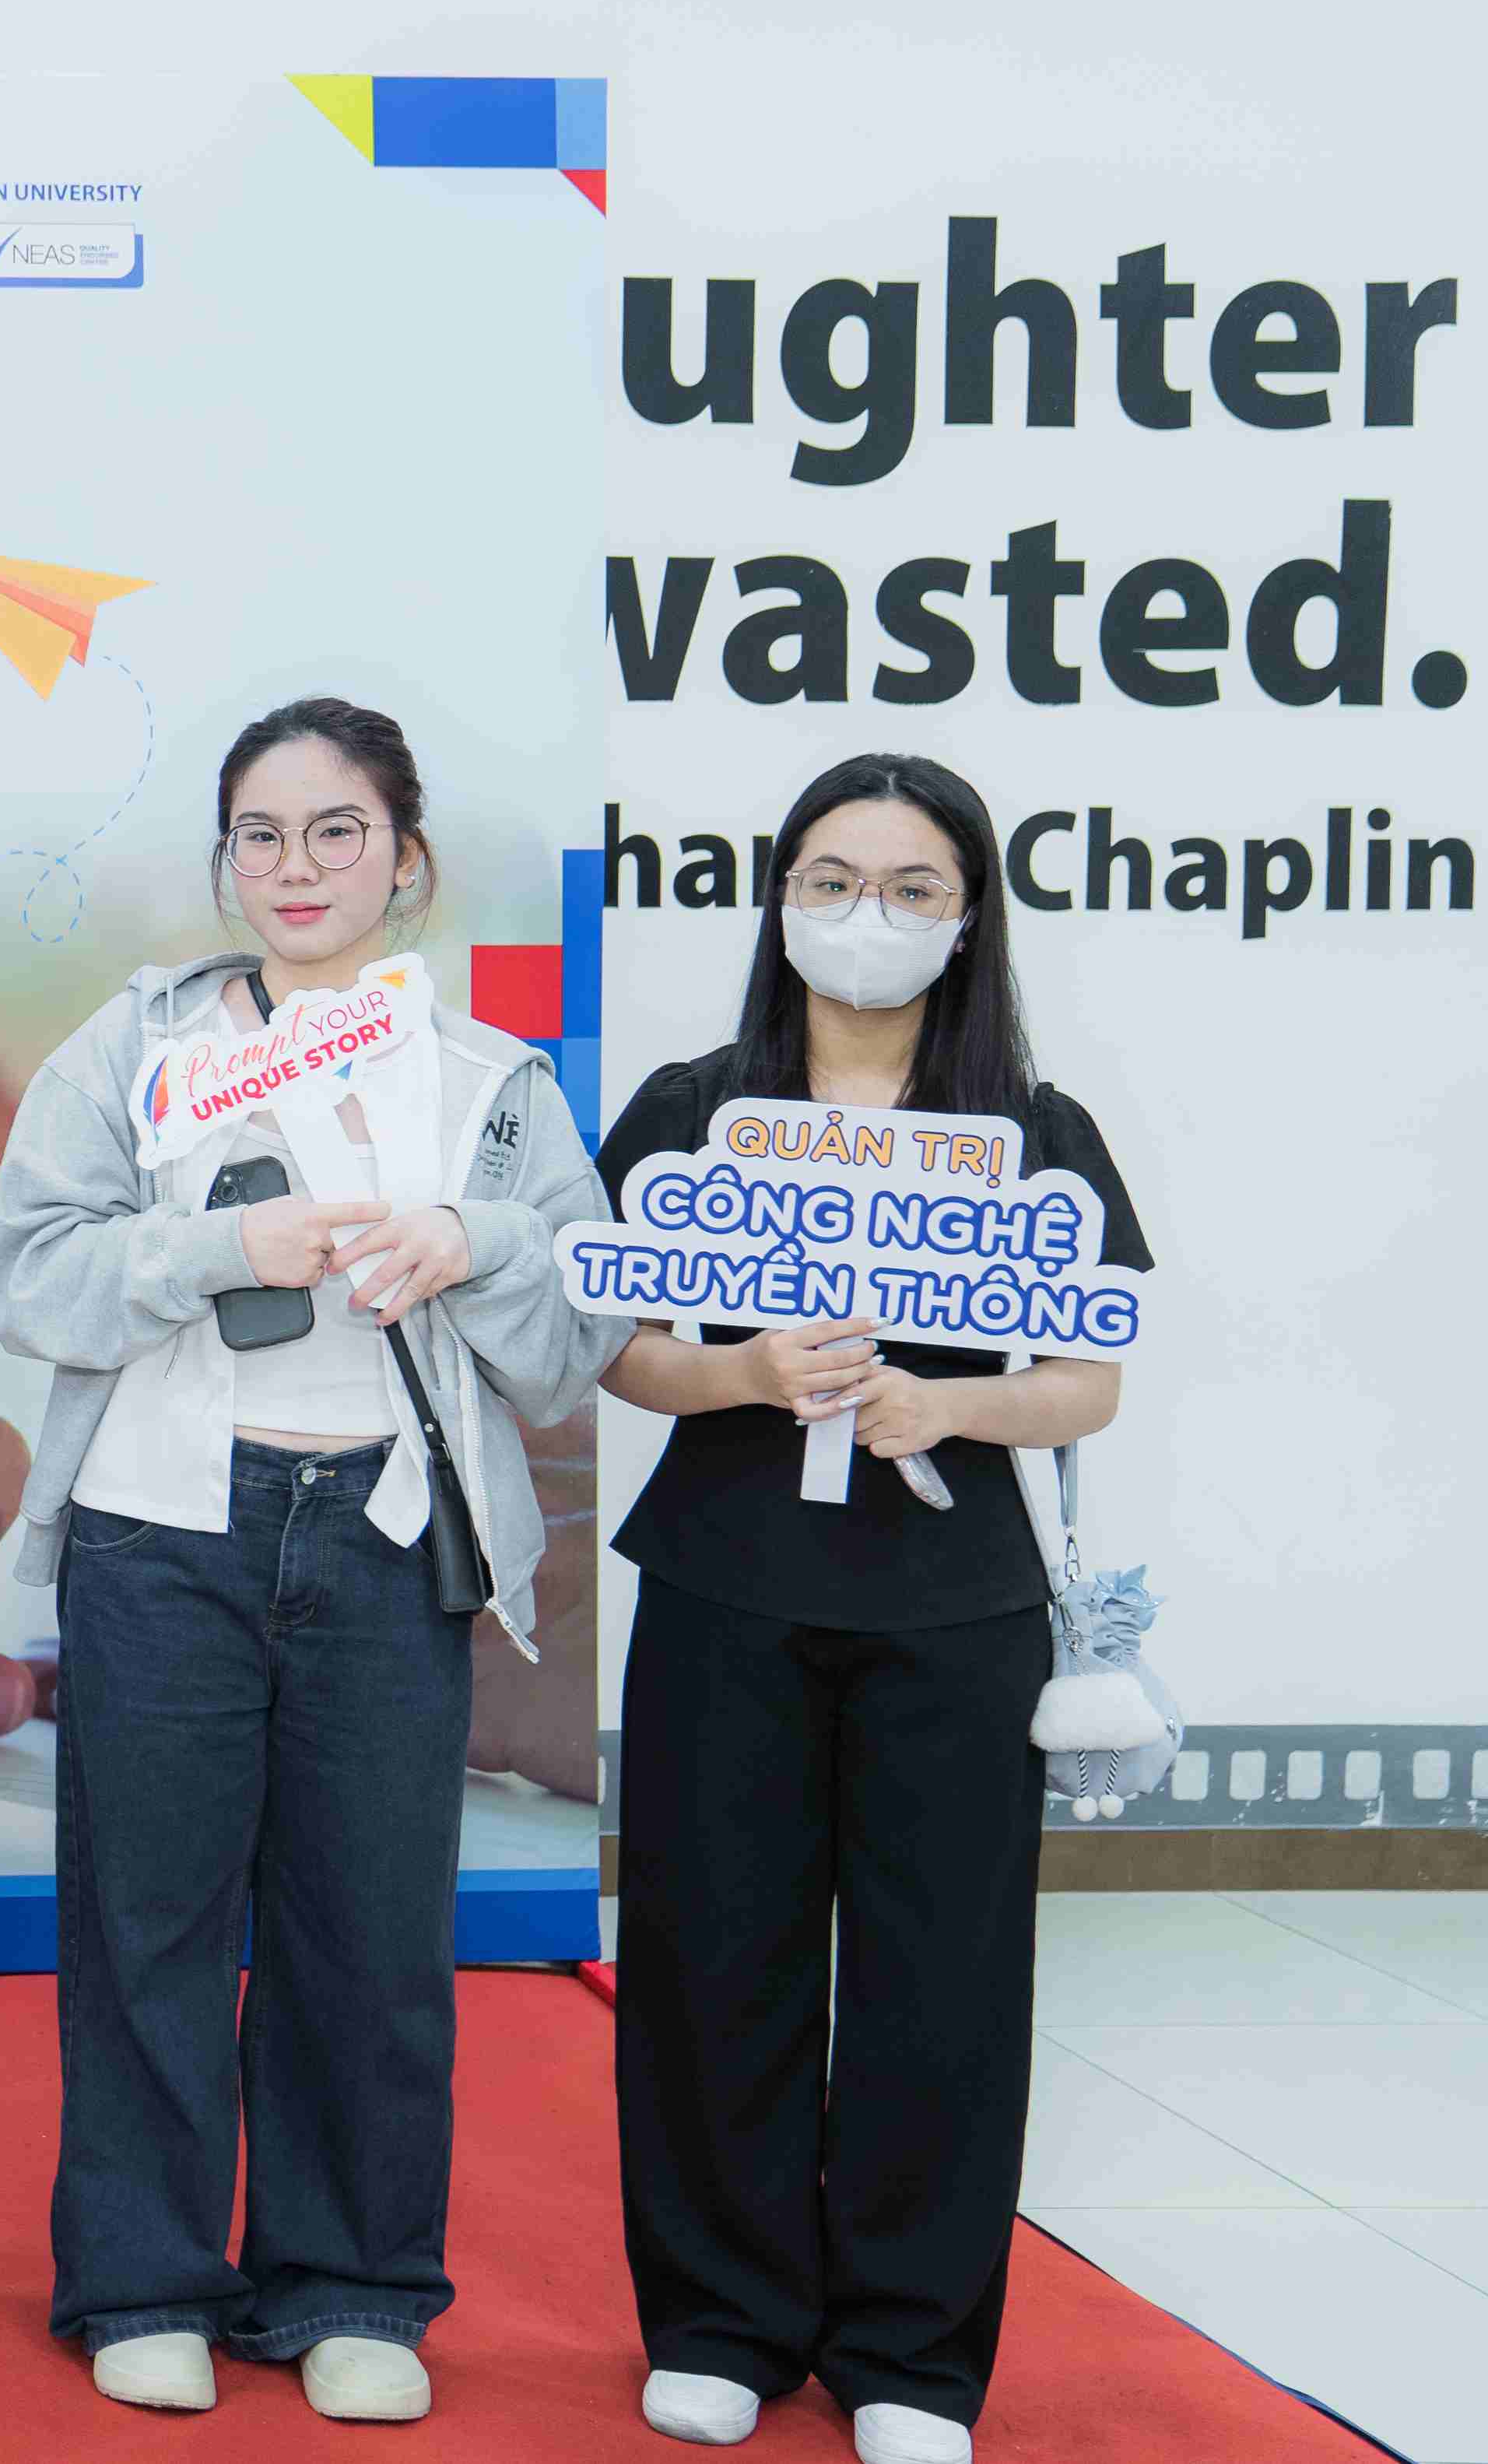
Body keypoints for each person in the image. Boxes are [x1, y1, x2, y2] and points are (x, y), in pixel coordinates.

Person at [0, 696, 623, 2425]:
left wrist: (478, 1239)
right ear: (225, 863)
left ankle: (352, 2284)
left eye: (338, 830)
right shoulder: (140, 1048)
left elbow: (573, 1345)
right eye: (260, 835)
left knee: (373, 1930)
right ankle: (145, 2277)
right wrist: (218, 1247)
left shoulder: (491, 1083)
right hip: (164, 1527)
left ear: (406, 859)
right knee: (149, 1920)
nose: (297, 866)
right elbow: (31, 1277)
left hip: (389, 1534)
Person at [600, 756, 1143, 2464]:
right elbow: (615, 1345)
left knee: (944, 1980)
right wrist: (745, 1370)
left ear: (969, 918)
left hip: (956, 1613)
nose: (868, 916)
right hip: (726, 1587)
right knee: (712, 1956)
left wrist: (949, 1403)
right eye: (833, 880)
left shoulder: (1038, 1134)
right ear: (779, 902)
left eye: (914, 888)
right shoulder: (695, 1111)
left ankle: (912, 2353)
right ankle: (719, 2319)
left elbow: (1091, 1378)